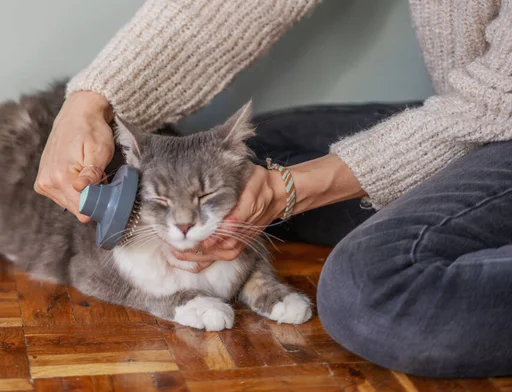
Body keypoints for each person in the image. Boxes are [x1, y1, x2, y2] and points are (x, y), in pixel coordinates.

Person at [34, 0, 512, 378]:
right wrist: (91, 100)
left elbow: (498, 97)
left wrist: (292, 188)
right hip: (461, 104)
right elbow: (224, 10)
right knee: (257, 150)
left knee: (367, 294)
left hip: (499, 110)